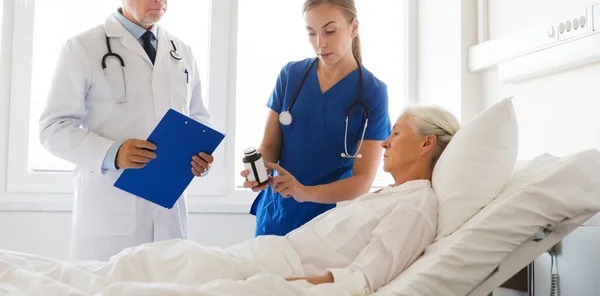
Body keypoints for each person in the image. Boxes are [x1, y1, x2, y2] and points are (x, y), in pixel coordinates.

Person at [4, 106, 459, 296]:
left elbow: (362, 279)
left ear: (426, 145)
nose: (383, 143)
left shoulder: (416, 205)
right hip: (255, 257)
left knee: (134, 278)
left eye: (395, 134)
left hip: (269, 271)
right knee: (135, 265)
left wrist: (289, 284)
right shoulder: (392, 195)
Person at [39, 0, 215, 261]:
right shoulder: (83, 48)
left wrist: (200, 155)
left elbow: (197, 118)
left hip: (167, 210)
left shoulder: (181, 51)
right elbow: (53, 128)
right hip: (110, 206)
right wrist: (113, 153)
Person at [242, 0, 392, 236]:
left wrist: (304, 192)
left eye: (330, 31)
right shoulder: (291, 75)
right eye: (311, 33)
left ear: (354, 28)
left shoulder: (373, 92)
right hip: (278, 215)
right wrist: (260, 170)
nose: (319, 43)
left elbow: (362, 181)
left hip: (330, 223)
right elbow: (269, 145)